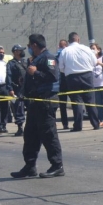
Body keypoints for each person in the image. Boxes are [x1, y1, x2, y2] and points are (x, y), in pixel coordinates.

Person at [10, 33, 65, 179]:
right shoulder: (34, 59)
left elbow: (53, 76)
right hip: (34, 102)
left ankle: (57, 166)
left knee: (48, 134)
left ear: (34, 45)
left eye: (29, 45)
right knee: (30, 135)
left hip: (46, 101)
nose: (27, 48)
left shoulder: (49, 58)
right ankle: (29, 166)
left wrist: (36, 73)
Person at [58, 32, 100, 131]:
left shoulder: (65, 51)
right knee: (90, 101)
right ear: (78, 39)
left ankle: (78, 126)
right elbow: (94, 62)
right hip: (87, 75)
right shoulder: (86, 49)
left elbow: (61, 68)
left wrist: (69, 71)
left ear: (69, 41)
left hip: (72, 78)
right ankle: (95, 124)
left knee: (76, 102)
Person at [7, 44, 27, 136]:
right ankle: (20, 128)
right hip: (17, 89)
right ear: (15, 52)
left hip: (27, 88)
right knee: (19, 108)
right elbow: (9, 77)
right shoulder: (11, 64)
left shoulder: (25, 62)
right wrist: (10, 89)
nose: (22, 52)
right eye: (20, 50)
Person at [56, 39, 70, 130]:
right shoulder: (57, 56)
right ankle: (65, 123)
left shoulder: (68, 55)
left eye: (62, 46)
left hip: (68, 80)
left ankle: (76, 122)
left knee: (75, 101)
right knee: (62, 105)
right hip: (62, 83)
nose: (60, 48)